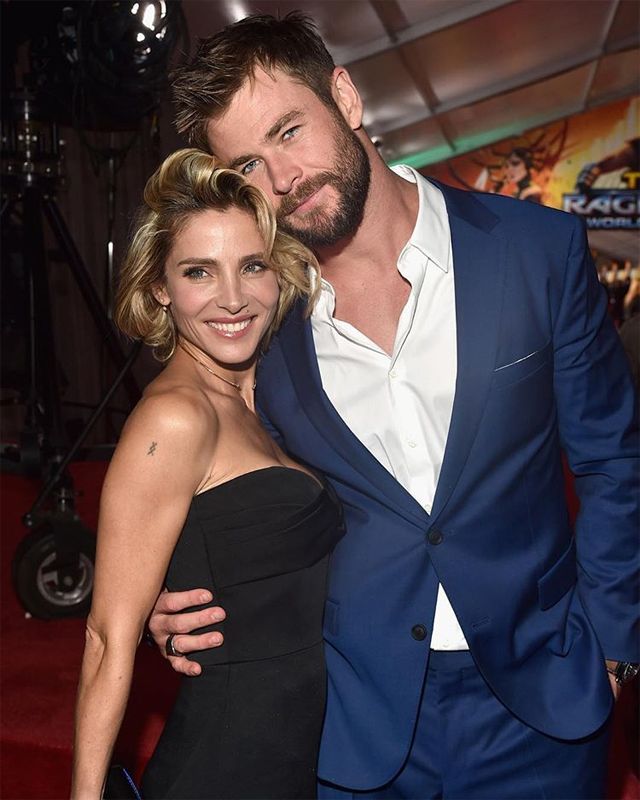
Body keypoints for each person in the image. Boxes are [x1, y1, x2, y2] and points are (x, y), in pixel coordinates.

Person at [149, 13, 640, 799]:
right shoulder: (261, 324)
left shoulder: (534, 251)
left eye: (289, 131)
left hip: (542, 700)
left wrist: (613, 647)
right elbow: (222, 476)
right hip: (353, 719)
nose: (282, 178)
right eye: (248, 164)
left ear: (344, 97)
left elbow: (614, 460)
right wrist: (175, 594)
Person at [71, 148, 344, 800]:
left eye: (252, 265)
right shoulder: (175, 418)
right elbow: (107, 639)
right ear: (160, 288)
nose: (232, 298)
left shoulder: (269, 390)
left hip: (298, 756)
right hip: (225, 765)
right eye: (199, 271)